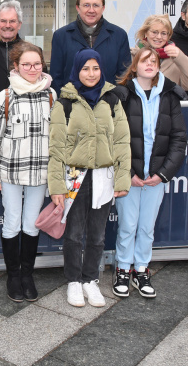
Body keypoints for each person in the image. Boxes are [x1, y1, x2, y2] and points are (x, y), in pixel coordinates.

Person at [48, 48, 130, 308]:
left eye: (95, 68)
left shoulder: (113, 100)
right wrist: (56, 186)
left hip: (104, 176)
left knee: (97, 234)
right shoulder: (65, 104)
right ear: (77, 70)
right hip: (74, 177)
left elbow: (122, 141)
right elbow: (56, 148)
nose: (91, 73)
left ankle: (90, 280)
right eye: (85, 68)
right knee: (73, 233)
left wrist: (122, 179)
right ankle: (73, 280)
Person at [111, 48, 187, 298]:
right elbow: (116, 139)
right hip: (129, 177)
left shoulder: (169, 95)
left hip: (156, 177)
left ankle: (141, 269)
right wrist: (128, 172)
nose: (150, 64)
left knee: (146, 227)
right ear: (134, 66)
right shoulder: (122, 95)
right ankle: (122, 268)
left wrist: (164, 174)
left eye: (154, 61)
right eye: (144, 60)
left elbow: (178, 138)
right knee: (128, 225)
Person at [0, 42, 54, 303]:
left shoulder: (51, 96)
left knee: (31, 224)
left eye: (37, 64)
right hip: (11, 172)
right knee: (12, 222)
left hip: (40, 172)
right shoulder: (5, 96)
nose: (32, 69)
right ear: (16, 66)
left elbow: (57, 139)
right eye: (26, 64)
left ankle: (28, 274)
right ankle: (13, 276)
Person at [49, 0, 130, 85]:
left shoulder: (119, 35)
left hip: (109, 98)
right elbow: (56, 76)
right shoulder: (61, 36)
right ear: (78, 8)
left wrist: (115, 98)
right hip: (71, 99)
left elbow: (124, 75)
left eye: (96, 5)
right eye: (86, 5)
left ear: (103, 8)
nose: (91, 10)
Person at [132, 15, 188, 92]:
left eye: (163, 33)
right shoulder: (133, 55)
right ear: (146, 33)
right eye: (154, 32)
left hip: (167, 103)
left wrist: (181, 57)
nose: (159, 37)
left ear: (168, 36)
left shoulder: (175, 59)